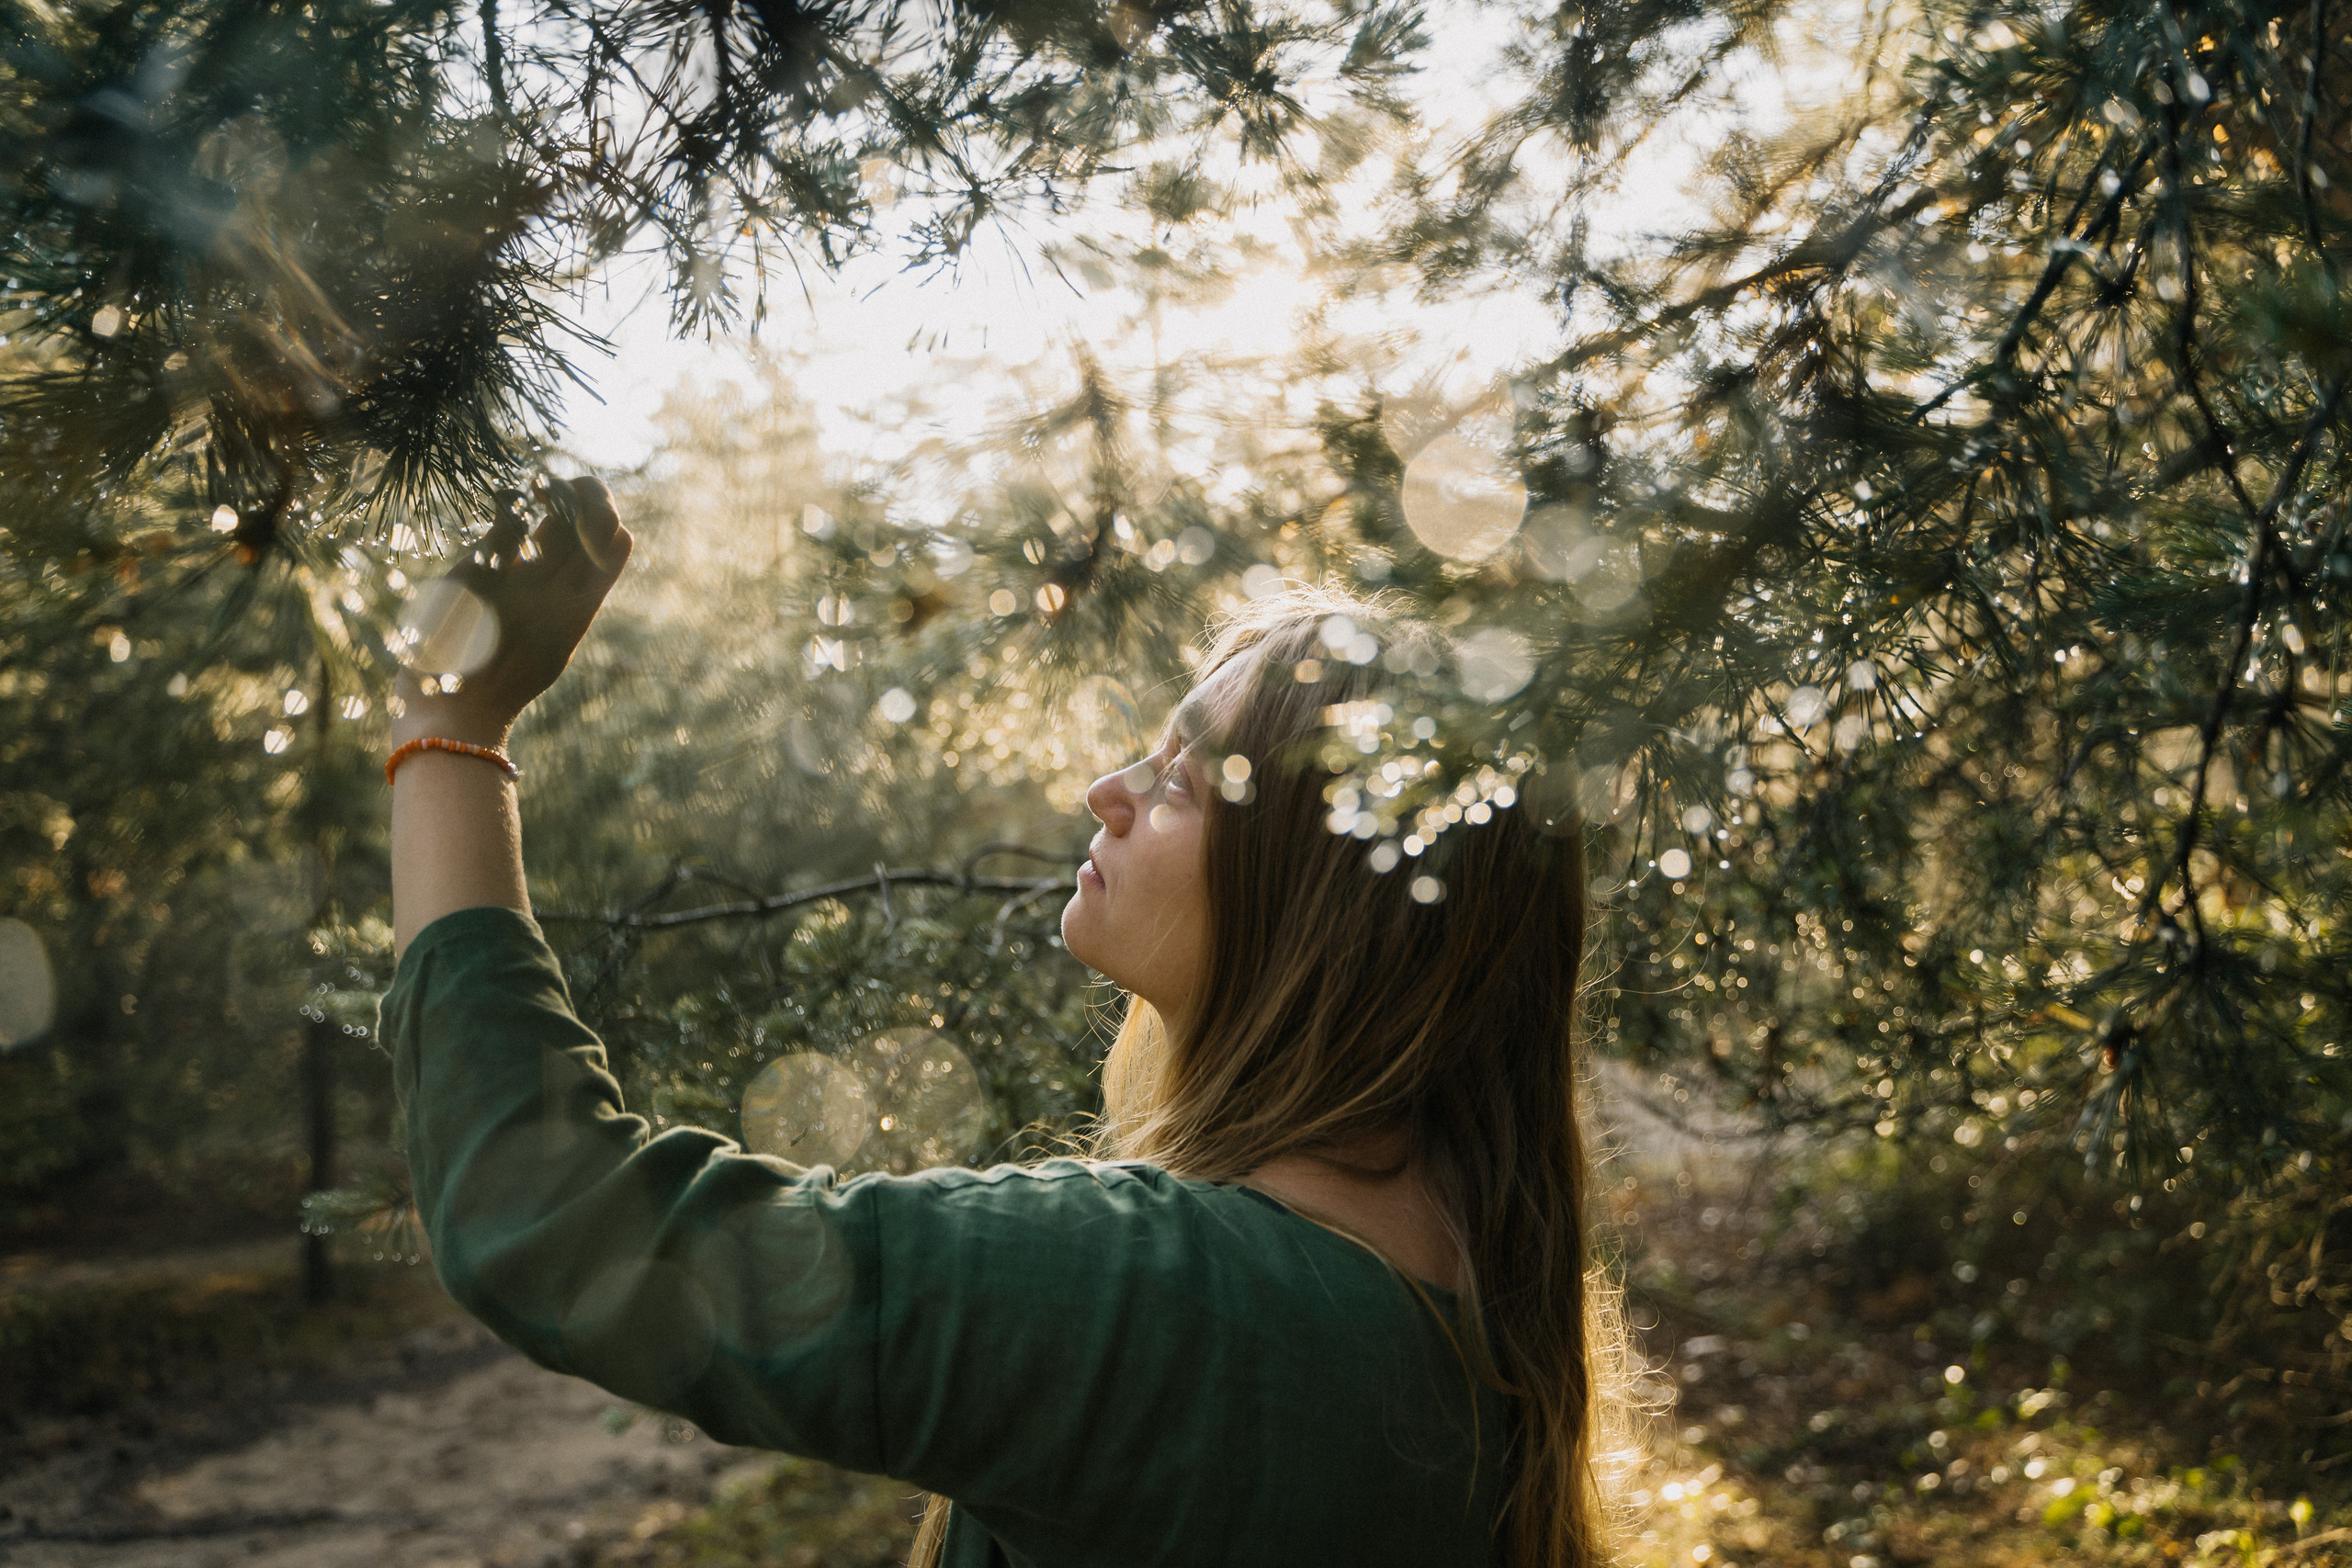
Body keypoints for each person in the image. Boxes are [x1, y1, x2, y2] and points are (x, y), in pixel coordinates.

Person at [383, 475, 1611, 1567]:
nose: (1109, 794)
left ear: (1331, 907)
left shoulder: (1146, 1298)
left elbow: (544, 1219)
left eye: (1180, 781)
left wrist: (449, 728)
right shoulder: (1471, 1307)